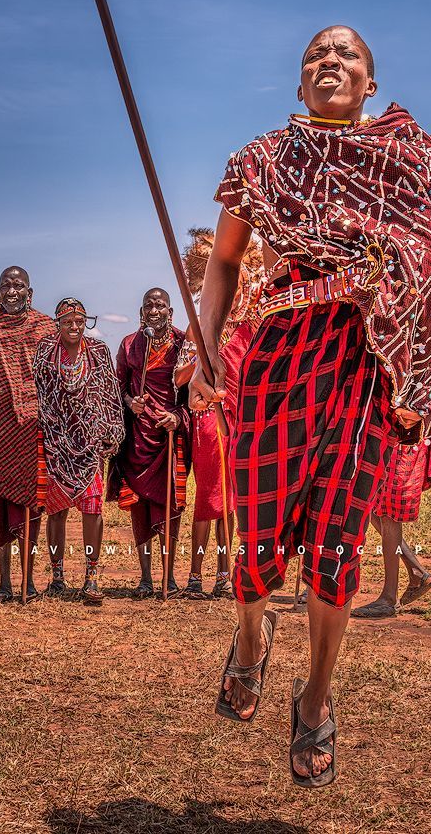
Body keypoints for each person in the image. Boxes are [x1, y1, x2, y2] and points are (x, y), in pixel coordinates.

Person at [190, 25, 431, 786]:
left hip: (363, 369)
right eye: (315, 56)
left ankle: (315, 699)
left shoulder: (409, 166)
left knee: (337, 546)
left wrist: (416, 375)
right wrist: (206, 349)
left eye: (346, 56)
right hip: (279, 361)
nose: (329, 62)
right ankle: (249, 642)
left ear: (371, 82)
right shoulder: (263, 161)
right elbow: (224, 267)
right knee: (261, 539)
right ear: (299, 82)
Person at [174, 227, 263, 600]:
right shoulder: (203, 323)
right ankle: (197, 575)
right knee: (212, 496)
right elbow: (180, 376)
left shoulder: (258, 320)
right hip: (211, 416)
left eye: (244, 272)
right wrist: (203, 358)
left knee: (242, 497)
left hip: (250, 417)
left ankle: (230, 573)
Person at [0, 266, 56, 601]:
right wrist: (2, 402)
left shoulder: (46, 327)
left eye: (18, 285)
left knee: (30, 505)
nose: (12, 290)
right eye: (6, 285)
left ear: (29, 293)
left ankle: (29, 581)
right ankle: (5, 582)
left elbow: (53, 374)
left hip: (34, 431)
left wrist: (34, 406)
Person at [34, 299, 125, 604]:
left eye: (80, 321)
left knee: (93, 510)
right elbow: (37, 391)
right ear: (57, 323)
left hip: (89, 442)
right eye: (68, 322)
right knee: (56, 512)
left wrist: (113, 429)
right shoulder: (45, 352)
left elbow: (110, 393)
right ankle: (57, 576)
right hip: (57, 442)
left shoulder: (98, 352)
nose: (74, 327)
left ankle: (92, 576)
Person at [115, 288, 191, 598]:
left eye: (160, 305)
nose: (154, 310)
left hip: (169, 438)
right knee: (141, 509)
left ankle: (169, 577)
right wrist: (130, 402)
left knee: (170, 507)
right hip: (138, 438)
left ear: (170, 312)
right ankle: (146, 577)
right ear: (141, 311)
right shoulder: (130, 344)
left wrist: (178, 417)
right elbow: (117, 389)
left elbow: (192, 396)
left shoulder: (184, 344)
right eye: (149, 305)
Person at [352, 428, 431, 618]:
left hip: (402, 438)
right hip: (398, 436)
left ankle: (389, 599)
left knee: (387, 513)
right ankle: (417, 573)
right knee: (372, 507)